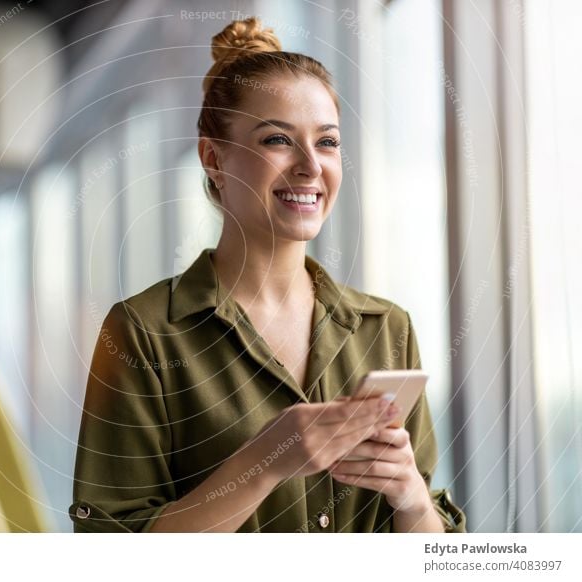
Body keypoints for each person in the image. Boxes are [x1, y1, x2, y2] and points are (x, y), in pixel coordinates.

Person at [69, 16, 466, 533]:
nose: (310, 166)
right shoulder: (143, 335)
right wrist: (267, 461)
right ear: (214, 158)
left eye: (326, 142)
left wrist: (412, 499)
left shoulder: (386, 329)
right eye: (278, 139)